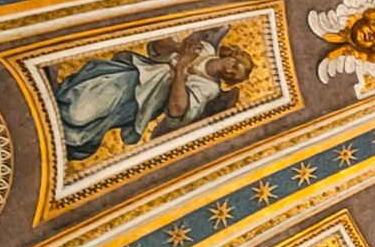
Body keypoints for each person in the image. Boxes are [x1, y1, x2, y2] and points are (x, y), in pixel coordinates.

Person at [50, 27, 255, 161]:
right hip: (133, 74)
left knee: (81, 118)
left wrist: (181, 70)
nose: (230, 69)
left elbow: (177, 110)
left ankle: (61, 138)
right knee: (78, 100)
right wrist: (177, 46)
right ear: (233, 55)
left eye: (235, 73)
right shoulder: (206, 47)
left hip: (144, 101)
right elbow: (156, 47)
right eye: (235, 64)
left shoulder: (210, 87)